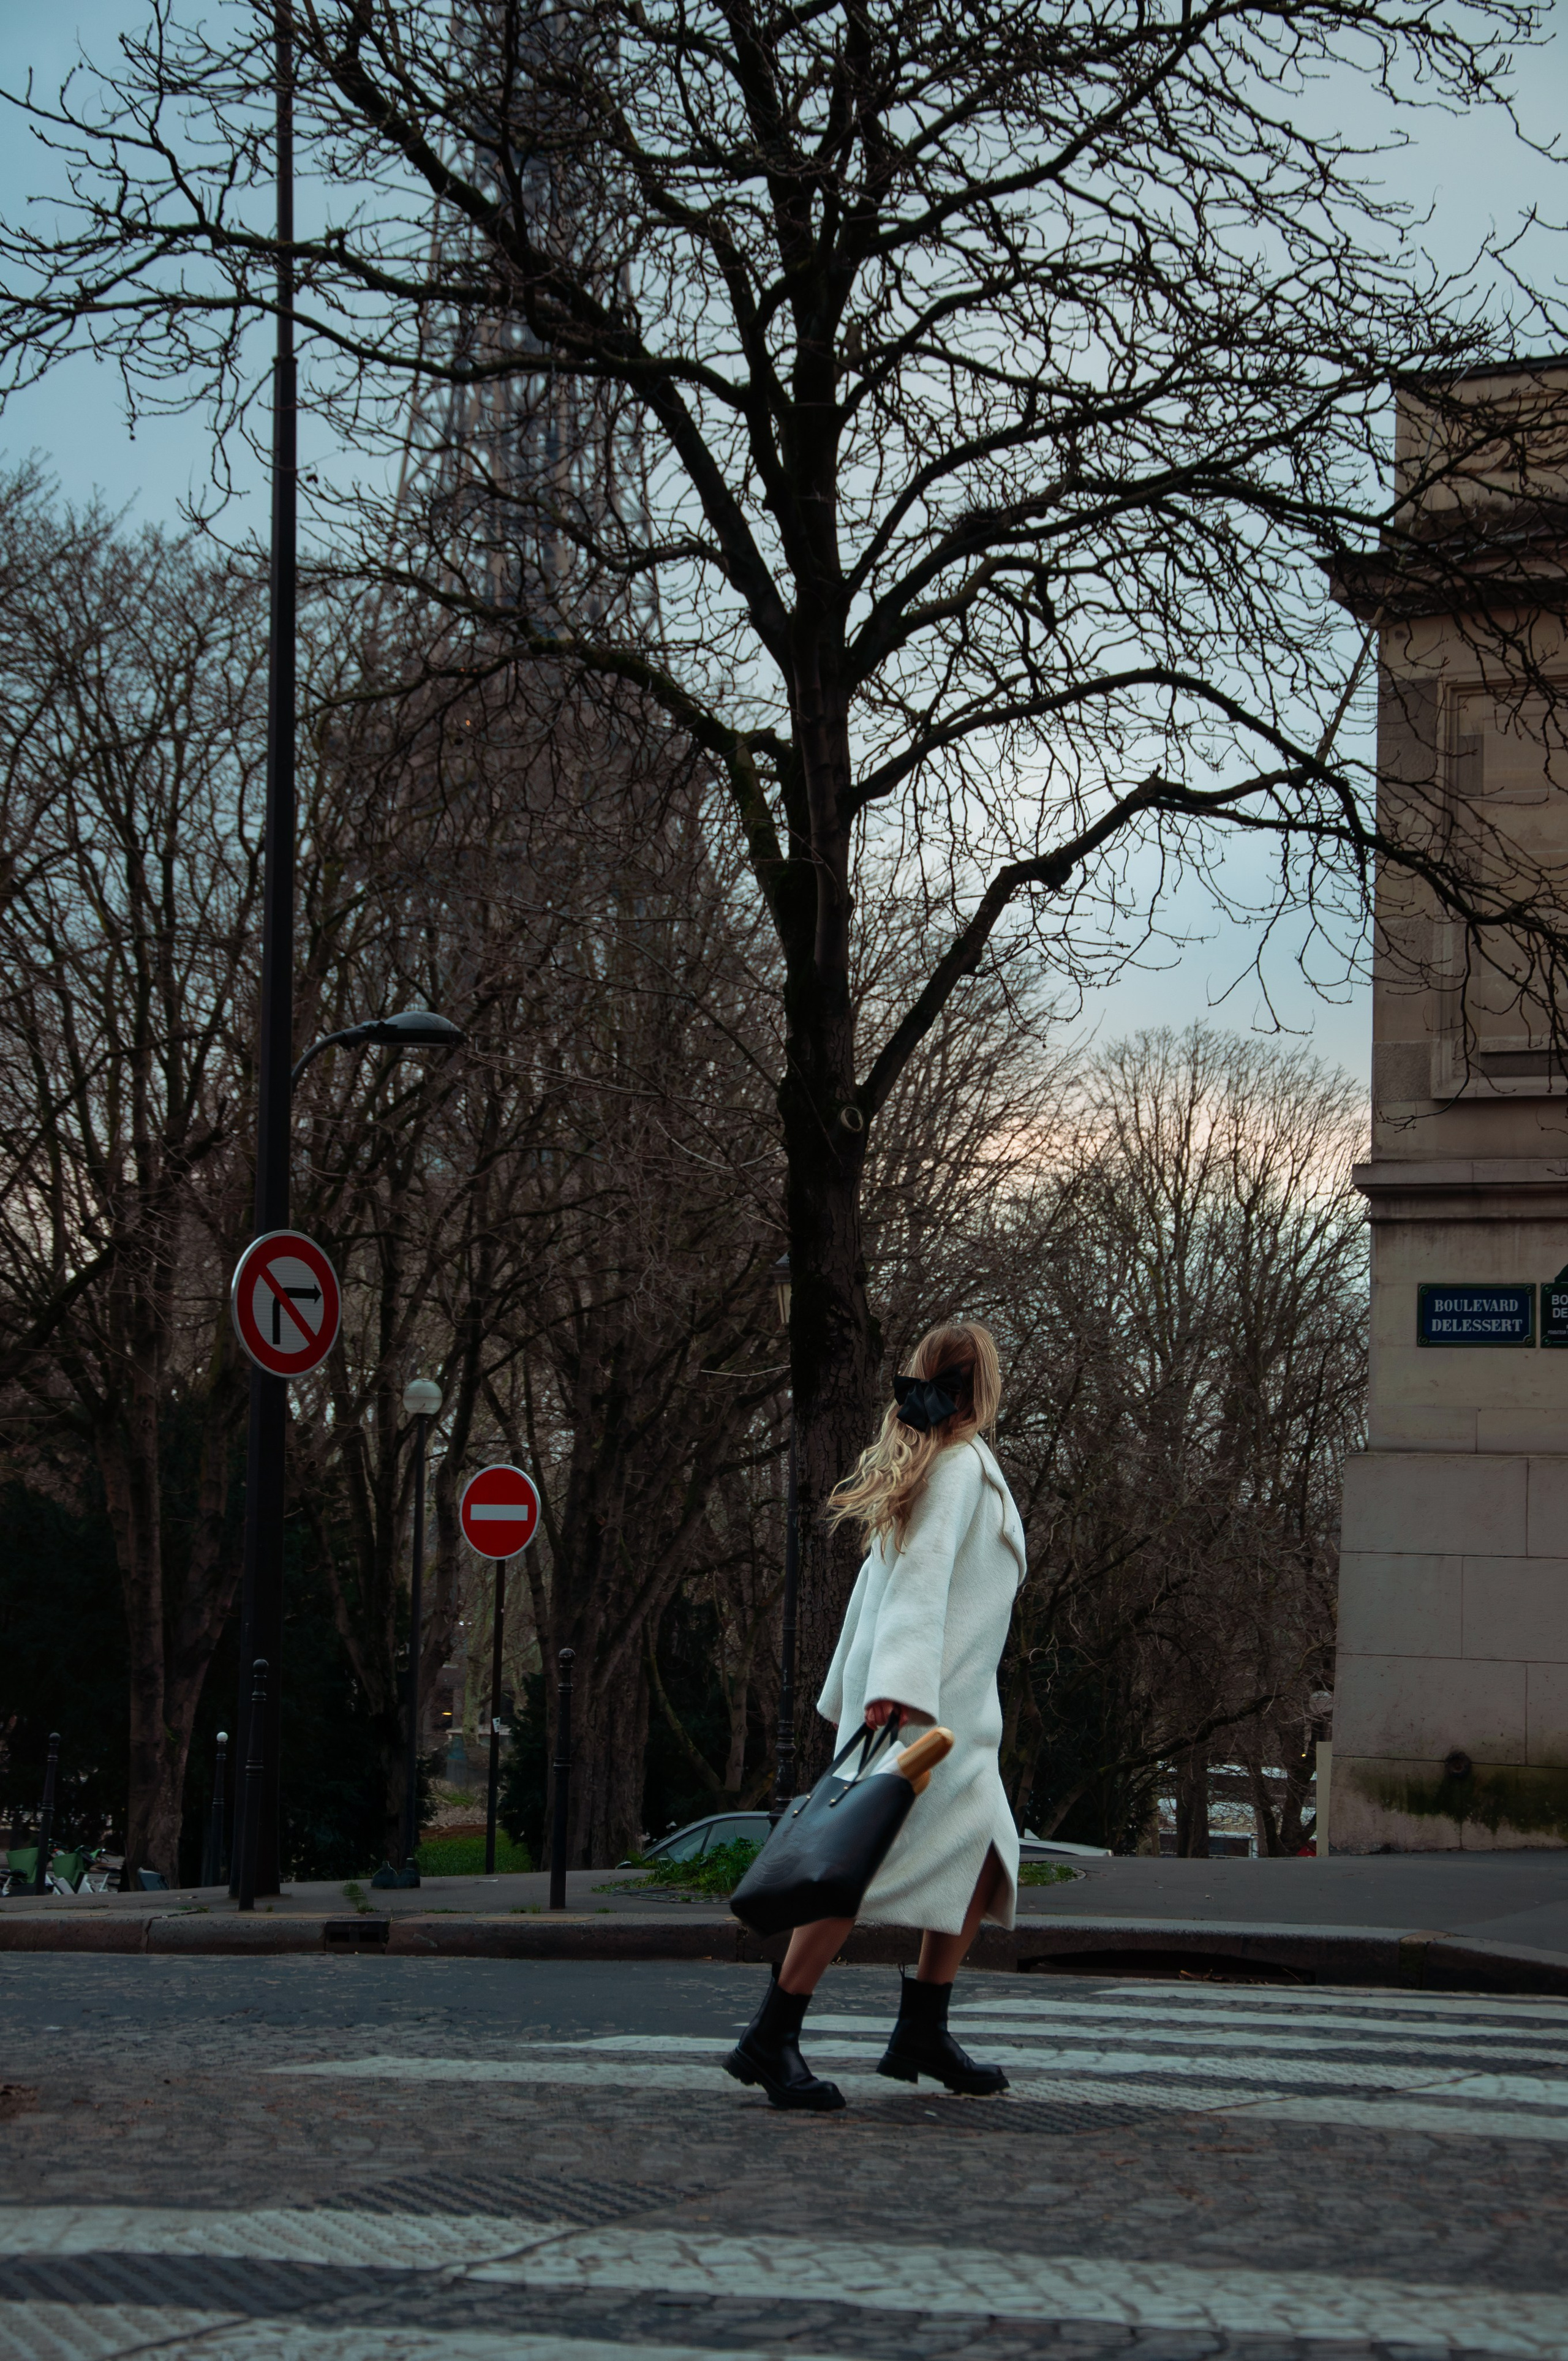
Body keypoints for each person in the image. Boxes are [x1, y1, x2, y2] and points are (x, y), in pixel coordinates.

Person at [725, 1320, 1026, 2112]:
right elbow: (917, 1584)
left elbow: (880, 1589)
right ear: (985, 1386)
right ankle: (772, 2033)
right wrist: (892, 1691)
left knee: (988, 1855)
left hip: (953, 1713)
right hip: (925, 1713)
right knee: (848, 1868)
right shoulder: (958, 1469)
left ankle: (923, 2024)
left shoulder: (942, 1463)